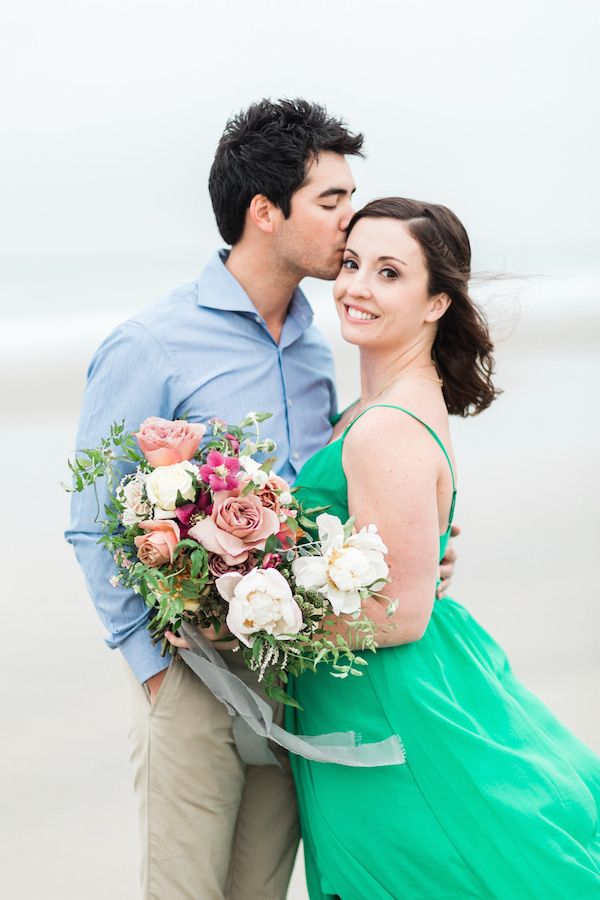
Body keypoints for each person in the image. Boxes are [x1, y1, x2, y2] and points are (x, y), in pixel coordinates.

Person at [66, 102, 458, 899]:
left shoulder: (321, 337)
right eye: (331, 200)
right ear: (265, 213)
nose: (351, 221)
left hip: (296, 672)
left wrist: (412, 547)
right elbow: (90, 520)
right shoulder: (153, 342)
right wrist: (154, 674)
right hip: (191, 675)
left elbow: (329, 494)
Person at [285, 197, 600, 899]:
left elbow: (399, 614)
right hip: (378, 689)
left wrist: (255, 625)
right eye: (351, 263)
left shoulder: (384, 427)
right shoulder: (380, 405)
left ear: (435, 303)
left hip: (390, 704)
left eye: (389, 272)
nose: (357, 286)